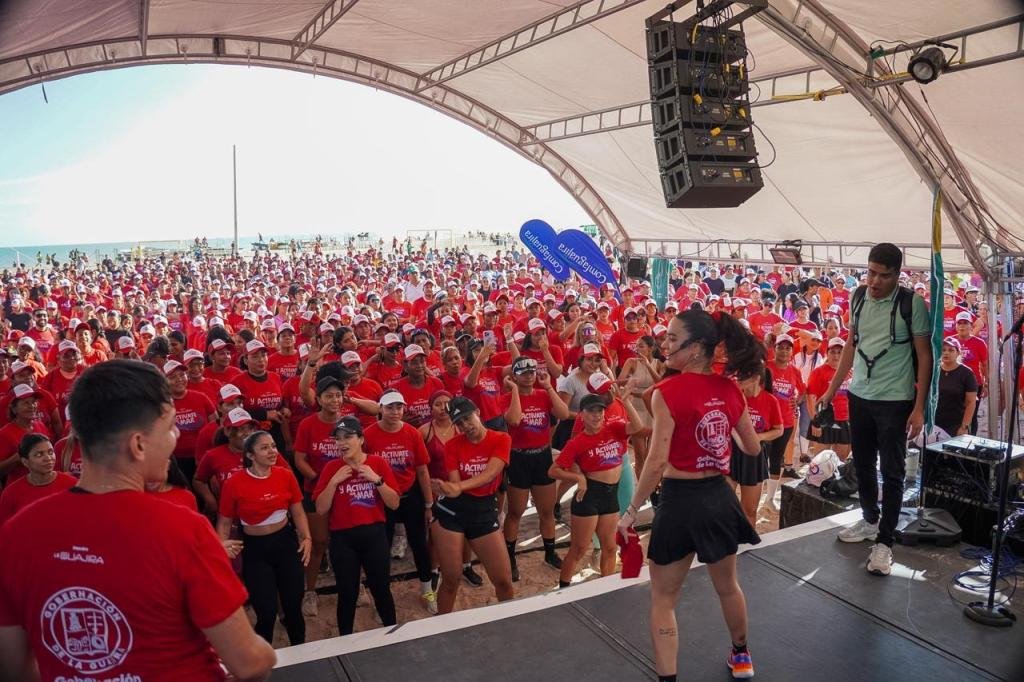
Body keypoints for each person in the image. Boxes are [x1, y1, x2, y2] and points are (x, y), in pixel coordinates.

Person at [0, 359, 275, 681]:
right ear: (139, 444)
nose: (174, 438)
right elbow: (250, 662)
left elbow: (14, 667)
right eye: (169, 427)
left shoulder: (16, 534)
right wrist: (266, 654)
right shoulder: (183, 529)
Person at [618, 309, 764, 682]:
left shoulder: (665, 392)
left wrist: (631, 510)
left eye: (671, 338)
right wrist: (717, 435)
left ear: (697, 347)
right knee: (727, 586)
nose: (663, 344)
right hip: (718, 497)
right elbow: (751, 448)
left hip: (680, 500)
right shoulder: (730, 389)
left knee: (663, 599)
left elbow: (655, 461)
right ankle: (742, 657)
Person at [819, 243, 932, 576]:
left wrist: (919, 408)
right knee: (863, 463)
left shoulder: (912, 304)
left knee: (893, 472)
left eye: (883, 275)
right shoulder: (857, 297)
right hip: (860, 395)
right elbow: (851, 346)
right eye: (871, 272)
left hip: (895, 400)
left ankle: (884, 543)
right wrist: (831, 388)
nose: (875, 281)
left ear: (898, 274)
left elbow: (924, 357)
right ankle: (869, 520)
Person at [218, 430, 312, 646]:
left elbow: (297, 511)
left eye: (273, 446)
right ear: (250, 455)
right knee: (266, 613)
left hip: (286, 545)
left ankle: (303, 655)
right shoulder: (234, 483)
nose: (272, 451)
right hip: (255, 550)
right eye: (265, 447)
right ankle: (262, 663)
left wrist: (306, 538)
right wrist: (221, 546)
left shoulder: (285, 475)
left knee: (293, 609)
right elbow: (224, 522)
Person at [313, 416, 400, 635]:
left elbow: (394, 503)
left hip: (374, 534)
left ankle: (393, 637)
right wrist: (333, 482)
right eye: (338, 439)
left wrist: (376, 480)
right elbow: (321, 508)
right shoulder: (331, 468)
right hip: (343, 538)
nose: (342, 443)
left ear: (361, 439)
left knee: (381, 589)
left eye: (348, 437)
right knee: (347, 593)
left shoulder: (378, 463)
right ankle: (345, 643)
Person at [548, 392, 644, 585]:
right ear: (582, 415)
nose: (596, 415)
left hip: (610, 497)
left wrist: (625, 402)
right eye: (591, 411)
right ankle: (563, 588)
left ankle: (605, 588)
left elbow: (638, 427)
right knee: (579, 549)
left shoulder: (614, 428)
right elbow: (553, 471)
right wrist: (577, 477)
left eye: (600, 410)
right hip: (589, 497)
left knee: (609, 547)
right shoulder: (577, 442)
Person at [430, 397, 514, 613]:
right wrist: (449, 488)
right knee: (451, 578)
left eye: (468, 418)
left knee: (503, 580)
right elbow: (456, 482)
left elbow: (490, 474)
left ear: (478, 412)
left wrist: (457, 487)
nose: (465, 426)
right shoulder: (452, 445)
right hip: (453, 511)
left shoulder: (501, 438)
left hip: (484, 509)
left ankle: (511, 622)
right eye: (459, 423)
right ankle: (440, 626)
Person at [362, 390, 436, 613]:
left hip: (410, 495)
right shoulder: (368, 435)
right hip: (382, 497)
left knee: (419, 545)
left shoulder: (412, 433)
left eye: (399, 407)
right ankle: (382, 597)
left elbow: (422, 470)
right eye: (390, 407)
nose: (395, 412)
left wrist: (428, 504)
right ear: (380, 409)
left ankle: (427, 589)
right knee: (380, 550)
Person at [502, 355, 571, 580]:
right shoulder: (507, 398)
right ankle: (510, 558)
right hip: (518, 458)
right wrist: (514, 391)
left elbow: (562, 414)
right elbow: (513, 420)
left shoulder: (543, 395)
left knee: (547, 511)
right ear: (514, 376)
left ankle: (550, 554)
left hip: (542, 456)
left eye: (532, 371)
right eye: (523, 373)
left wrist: (549, 387)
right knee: (515, 512)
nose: (529, 375)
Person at [730, 368, 783, 526]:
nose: (738, 379)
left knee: (750, 509)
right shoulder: (733, 396)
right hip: (730, 452)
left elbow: (779, 429)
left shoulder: (770, 400)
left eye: (743, 376)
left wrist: (757, 437)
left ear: (756, 378)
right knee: (724, 506)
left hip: (754, 455)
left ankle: (747, 547)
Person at [0, 433, 75, 524]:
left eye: (50, 452)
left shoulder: (72, 485)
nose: (48, 458)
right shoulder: (11, 493)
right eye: (39, 454)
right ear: (25, 462)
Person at [934, 337, 978, 438]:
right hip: (935, 423)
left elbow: (971, 402)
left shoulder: (967, 373)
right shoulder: (934, 371)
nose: (946, 353)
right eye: (943, 350)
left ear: (958, 353)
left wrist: (964, 427)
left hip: (956, 425)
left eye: (951, 350)